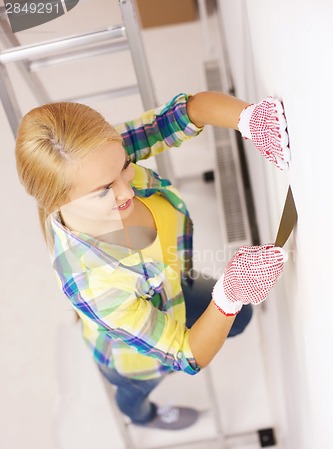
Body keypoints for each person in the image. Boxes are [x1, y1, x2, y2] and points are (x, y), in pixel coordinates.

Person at [15, 92, 290, 430]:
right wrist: (229, 294)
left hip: (172, 285)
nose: (126, 190)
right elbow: (186, 355)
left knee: (241, 318)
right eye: (104, 191)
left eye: (125, 168)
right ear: (57, 200)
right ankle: (140, 415)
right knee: (134, 393)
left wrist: (248, 119)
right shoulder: (95, 286)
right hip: (130, 360)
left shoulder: (99, 158)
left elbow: (181, 115)